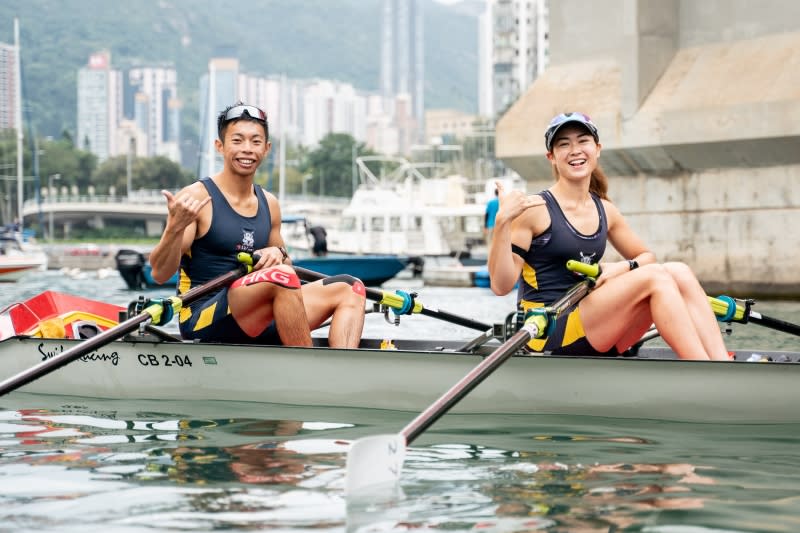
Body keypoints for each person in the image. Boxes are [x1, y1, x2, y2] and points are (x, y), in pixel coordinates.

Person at [487, 112, 729, 361]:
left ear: (597, 149)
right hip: (546, 332)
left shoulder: (605, 210)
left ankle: (721, 364)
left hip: (593, 327)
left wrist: (621, 268)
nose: (575, 150)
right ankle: (702, 369)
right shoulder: (534, 210)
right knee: (656, 277)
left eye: (583, 141)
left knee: (679, 271)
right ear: (552, 157)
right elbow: (500, 285)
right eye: (564, 144)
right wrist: (503, 221)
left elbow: (647, 257)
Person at [149, 102, 366, 348]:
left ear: (266, 149)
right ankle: (309, 372)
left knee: (351, 287)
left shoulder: (269, 204)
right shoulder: (198, 197)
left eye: (255, 141)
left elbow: (289, 272)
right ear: (220, 146)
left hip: (262, 315)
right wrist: (174, 228)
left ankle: (342, 372)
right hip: (202, 318)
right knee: (280, 277)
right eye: (237, 141)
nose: (247, 150)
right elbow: (159, 274)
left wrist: (279, 253)